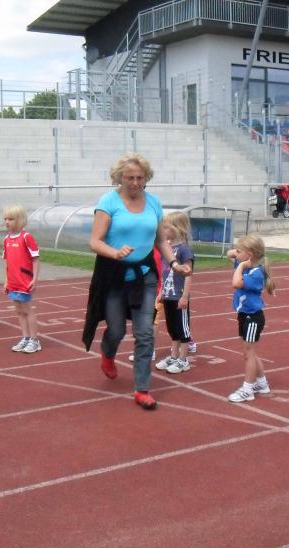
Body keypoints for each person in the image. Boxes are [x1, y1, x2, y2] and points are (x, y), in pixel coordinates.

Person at [83, 153, 190, 411]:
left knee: (145, 332)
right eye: (129, 177)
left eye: (140, 178)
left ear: (146, 178)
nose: (135, 182)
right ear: (119, 177)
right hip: (113, 276)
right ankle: (108, 353)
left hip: (145, 276)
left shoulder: (153, 203)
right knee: (116, 330)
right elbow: (94, 241)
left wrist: (174, 264)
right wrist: (115, 252)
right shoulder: (108, 202)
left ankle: (142, 389)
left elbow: (160, 240)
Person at [225, 234, 275, 403]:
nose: (236, 253)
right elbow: (229, 253)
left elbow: (236, 283)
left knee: (249, 354)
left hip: (253, 317)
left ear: (250, 255)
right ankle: (262, 383)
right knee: (250, 353)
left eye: (239, 251)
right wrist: (239, 253)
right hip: (244, 315)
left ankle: (248, 390)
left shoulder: (255, 273)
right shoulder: (246, 264)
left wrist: (240, 265)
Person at [155, 212, 195, 374]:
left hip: (179, 296)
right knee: (172, 328)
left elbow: (188, 275)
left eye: (166, 228)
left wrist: (185, 296)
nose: (163, 231)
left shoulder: (184, 250)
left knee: (182, 329)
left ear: (178, 229)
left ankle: (183, 360)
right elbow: (165, 273)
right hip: (168, 295)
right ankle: (173, 356)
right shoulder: (168, 249)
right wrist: (161, 292)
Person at [3, 205, 41, 354]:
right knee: (18, 310)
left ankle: (34, 340)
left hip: (24, 281)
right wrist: (6, 280)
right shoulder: (6, 239)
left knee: (27, 310)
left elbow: (35, 259)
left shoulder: (26, 237)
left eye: (10, 219)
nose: (7, 222)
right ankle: (25, 337)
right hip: (13, 282)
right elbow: (7, 262)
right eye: (5, 219)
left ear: (20, 220)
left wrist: (34, 279)